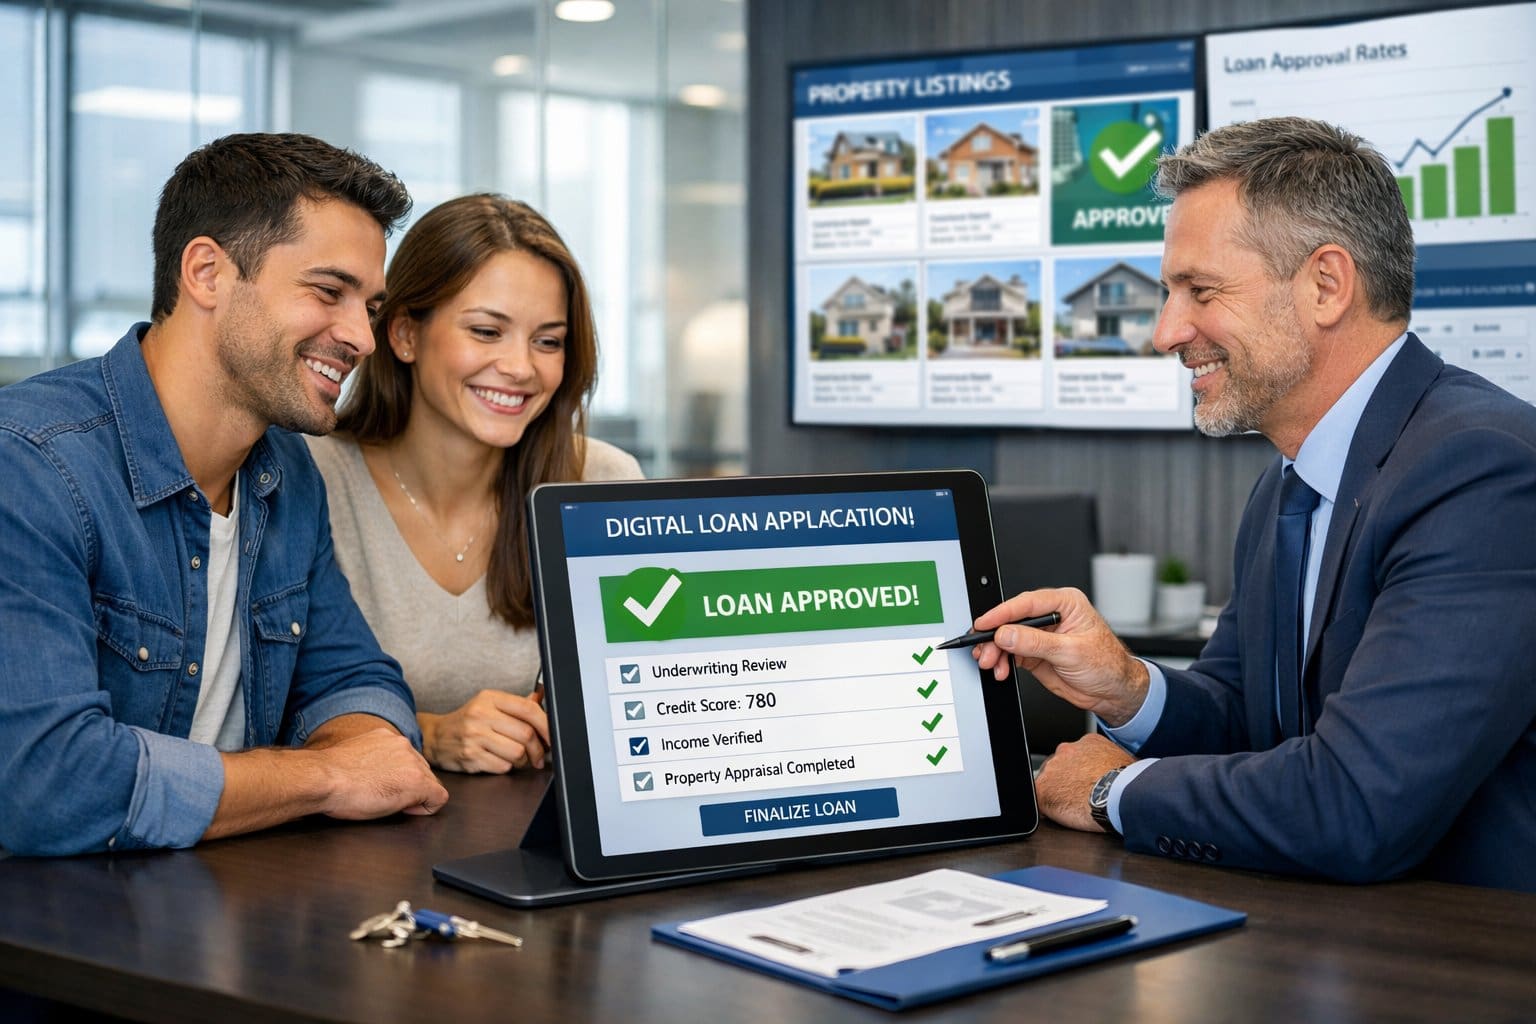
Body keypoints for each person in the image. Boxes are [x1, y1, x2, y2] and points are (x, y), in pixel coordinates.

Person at [972, 117, 1536, 891]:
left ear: (1327, 286)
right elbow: (1247, 716)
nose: (1167, 332)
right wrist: (1128, 689)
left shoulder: (1483, 473)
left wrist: (1112, 790)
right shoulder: (1291, 478)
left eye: (1199, 291)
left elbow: (1357, 803)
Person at [0, 134, 450, 857]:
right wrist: (330, 775)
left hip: (216, 912)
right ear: (207, 272)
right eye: (328, 292)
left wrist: (361, 750)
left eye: (369, 305)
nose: (363, 338)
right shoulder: (30, 465)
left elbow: (354, 680)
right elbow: (48, 785)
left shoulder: (285, 469)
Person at [306, 194, 641, 775]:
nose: (520, 367)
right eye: (487, 331)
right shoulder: (311, 475)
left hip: (546, 839)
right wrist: (428, 733)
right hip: (365, 843)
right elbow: (270, 708)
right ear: (405, 334)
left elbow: (653, 690)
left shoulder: (603, 481)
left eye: (548, 341)